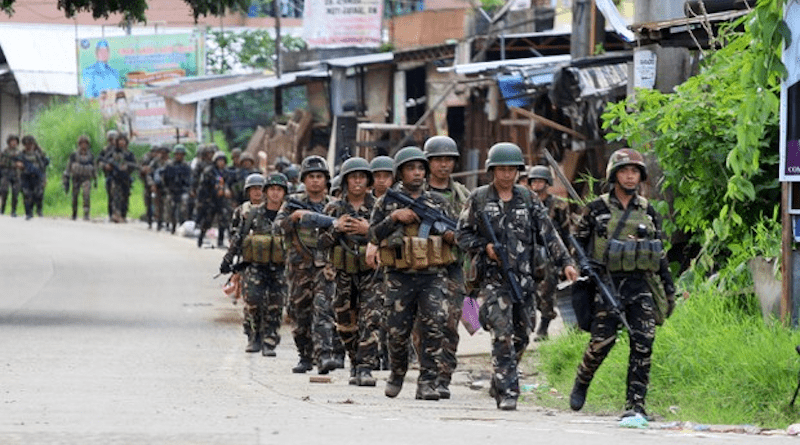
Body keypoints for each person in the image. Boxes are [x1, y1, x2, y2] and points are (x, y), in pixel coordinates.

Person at [456, 142, 578, 410]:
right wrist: (484, 247)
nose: (507, 174)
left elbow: (548, 232)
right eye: (502, 169)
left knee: (523, 334)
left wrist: (566, 262)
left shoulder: (527, 199)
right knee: (503, 333)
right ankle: (510, 390)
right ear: (492, 170)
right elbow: (461, 235)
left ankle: (499, 379)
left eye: (512, 169)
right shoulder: (478, 198)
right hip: (493, 279)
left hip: (525, 278)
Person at [568, 148, 676, 420]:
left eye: (634, 172)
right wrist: (583, 266)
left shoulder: (648, 211)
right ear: (614, 175)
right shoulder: (596, 209)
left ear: (640, 176)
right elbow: (577, 242)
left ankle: (635, 404)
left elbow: (658, 252)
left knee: (643, 343)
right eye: (625, 171)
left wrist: (668, 287)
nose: (630, 176)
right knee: (602, 341)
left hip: (640, 285)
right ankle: (582, 379)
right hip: (607, 284)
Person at [369, 146, 457, 401]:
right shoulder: (385, 202)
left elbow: (455, 235)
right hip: (399, 276)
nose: (417, 173)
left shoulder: (439, 201)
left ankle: (430, 381)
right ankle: (397, 372)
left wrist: (451, 235)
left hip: (434, 275)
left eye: (420, 168)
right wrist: (394, 218)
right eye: (411, 168)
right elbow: (372, 235)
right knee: (396, 331)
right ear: (400, 172)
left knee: (438, 326)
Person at [275, 155, 344, 375]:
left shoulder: (333, 206)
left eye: (319, 177)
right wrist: (294, 218)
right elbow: (277, 229)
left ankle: (324, 355)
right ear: (304, 179)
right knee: (299, 313)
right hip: (298, 269)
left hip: (326, 268)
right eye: (311, 177)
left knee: (323, 311)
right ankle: (305, 356)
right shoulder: (292, 204)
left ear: (326, 180)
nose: (315, 181)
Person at [320, 157, 381, 386]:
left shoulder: (379, 206)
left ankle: (365, 367)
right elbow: (320, 243)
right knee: (345, 323)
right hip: (342, 274)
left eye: (362, 177)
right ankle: (355, 360)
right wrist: (335, 229)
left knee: (371, 318)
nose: (357, 182)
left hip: (371, 274)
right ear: (345, 181)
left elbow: (391, 238)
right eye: (353, 177)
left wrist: (370, 231)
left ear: (368, 181)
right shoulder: (333, 208)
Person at [421, 135, 471, 399]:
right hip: (421, 269)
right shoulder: (415, 193)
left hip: (453, 267)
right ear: (428, 162)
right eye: (438, 160)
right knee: (425, 325)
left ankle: (443, 377)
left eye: (448, 159)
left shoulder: (463, 194)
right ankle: (427, 373)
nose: (444, 165)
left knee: (451, 324)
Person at [220, 173, 287, 356]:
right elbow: (238, 237)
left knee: (276, 304)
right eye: (271, 189)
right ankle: (253, 335)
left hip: (280, 267)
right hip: (255, 266)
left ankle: (269, 340)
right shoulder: (253, 214)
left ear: (284, 193)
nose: (275, 194)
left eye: (279, 190)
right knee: (253, 302)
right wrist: (228, 259)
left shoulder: (289, 216)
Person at [528, 165, 572, 341]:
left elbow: (566, 233)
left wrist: (566, 260)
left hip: (550, 254)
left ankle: (543, 328)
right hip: (529, 253)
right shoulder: (526, 204)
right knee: (529, 292)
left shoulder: (558, 205)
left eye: (541, 181)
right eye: (534, 181)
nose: (537, 184)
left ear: (547, 183)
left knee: (547, 292)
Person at [196, 151, 232, 248]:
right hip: (210, 199)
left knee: (224, 220)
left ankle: (220, 241)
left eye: (223, 161)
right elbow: (203, 186)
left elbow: (227, 183)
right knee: (207, 220)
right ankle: (200, 238)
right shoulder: (209, 171)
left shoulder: (226, 172)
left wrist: (226, 190)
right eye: (219, 161)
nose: (221, 163)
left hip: (221, 200)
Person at [100, 133, 137, 223]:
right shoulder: (112, 153)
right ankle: (115, 214)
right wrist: (106, 166)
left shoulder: (129, 154)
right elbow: (102, 161)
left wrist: (127, 166)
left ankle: (123, 214)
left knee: (125, 197)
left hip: (125, 178)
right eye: (119, 140)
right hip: (115, 178)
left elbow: (135, 164)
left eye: (123, 140)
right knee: (115, 196)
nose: (121, 142)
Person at [159, 144, 193, 234]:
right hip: (171, 190)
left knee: (184, 205)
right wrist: (167, 188)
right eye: (177, 154)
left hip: (182, 190)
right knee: (170, 207)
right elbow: (164, 178)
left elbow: (189, 179)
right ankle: (172, 225)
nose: (179, 156)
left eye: (181, 154)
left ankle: (183, 223)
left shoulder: (186, 166)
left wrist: (188, 189)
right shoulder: (169, 165)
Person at [62, 135, 96, 221]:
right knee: (75, 196)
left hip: (87, 178)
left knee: (86, 194)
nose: (83, 145)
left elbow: (94, 167)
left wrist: (95, 178)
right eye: (82, 143)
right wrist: (66, 177)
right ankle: (74, 213)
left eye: (85, 143)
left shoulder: (90, 156)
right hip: (76, 178)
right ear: (79, 144)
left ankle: (86, 214)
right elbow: (69, 167)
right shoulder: (74, 155)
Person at [18, 135, 49, 220]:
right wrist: (19, 165)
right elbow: (16, 164)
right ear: (25, 145)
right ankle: (29, 212)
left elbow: (42, 167)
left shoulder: (37, 155)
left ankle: (39, 210)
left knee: (38, 194)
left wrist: (44, 178)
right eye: (27, 144)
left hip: (36, 177)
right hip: (25, 177)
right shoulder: (21, 154)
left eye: (31, 144)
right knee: (27, 195)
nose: (29, 146)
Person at [146, 145, 171, 231]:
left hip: (168, 187)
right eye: (161, 153)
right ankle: (158, 223)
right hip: (158, 186)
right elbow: (149, 174)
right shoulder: (155, 162)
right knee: (158, 205)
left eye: (165, 153)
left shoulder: (170, 163)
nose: (163, 155)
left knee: (168, 205)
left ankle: (168, 223)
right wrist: (152, 184)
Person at [98, 130, 118, 219]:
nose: (112, 141)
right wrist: (105, 166)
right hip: (110, 175)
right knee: (111, 195)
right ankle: (111, 214)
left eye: (113, 139)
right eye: (110, 140)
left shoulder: (120, 150)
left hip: (120, 176)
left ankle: (120, 213)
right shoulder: (105, 150)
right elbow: (99, 160)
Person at [0, 134, 22, 216]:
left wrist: (20, 165)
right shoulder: (4, 152)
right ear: (9, 142)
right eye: (12, 141)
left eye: (15, 141)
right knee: (4, 191)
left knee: (15, 193)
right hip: (6, 173)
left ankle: (13, 211)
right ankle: (2, 209)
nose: (14, 143)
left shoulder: (19, 153)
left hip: (16, 174)